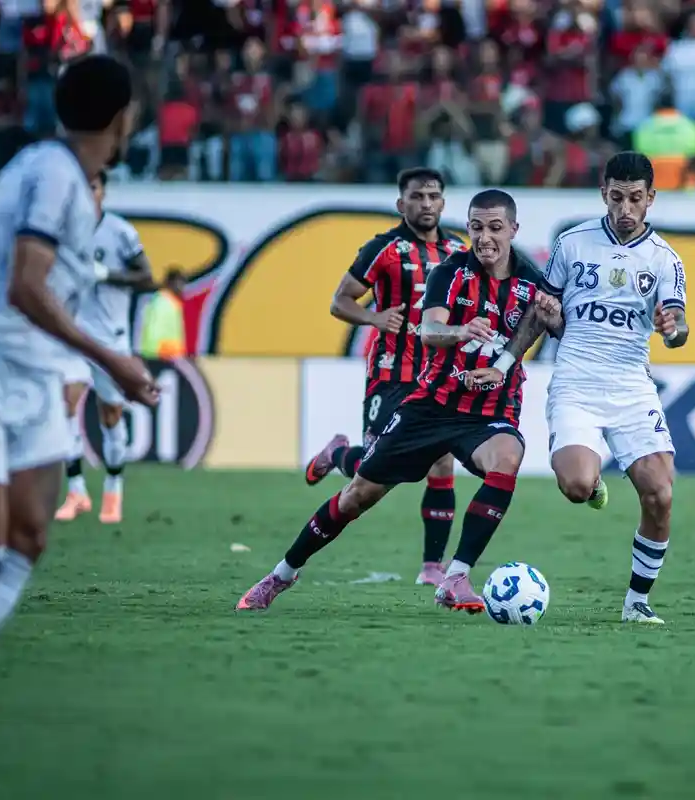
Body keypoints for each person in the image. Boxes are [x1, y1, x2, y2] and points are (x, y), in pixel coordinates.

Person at [0, 55, 158, 721]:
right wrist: (114, 360)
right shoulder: (52, 173)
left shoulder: (66, 176)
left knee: (29, 538)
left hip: (36, 378)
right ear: (122, 116)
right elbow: (24, 284)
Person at [237, 189, 559, 614]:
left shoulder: (533, 282)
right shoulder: (450, 272)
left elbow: (545, 325)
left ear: (513, 230)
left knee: (508, 456)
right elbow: (429, 332)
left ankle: (456, 575)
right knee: (357, 497)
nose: (484, 238)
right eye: (476, 227)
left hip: (489, 411)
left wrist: (552, 321)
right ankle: (280, 575)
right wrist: (462, 332)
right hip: (431, 405)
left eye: (495, 228)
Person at [541, 151, 689, 626]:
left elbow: (679, 325)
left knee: (661, 494)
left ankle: (636, 602)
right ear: (604, 193)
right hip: (577, 382)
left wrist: (673, 328)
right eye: (617, 197)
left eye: (636, 198)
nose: (626, 208)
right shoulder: (571, 244)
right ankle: (593, 475)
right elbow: (549, 311)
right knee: (577, 486)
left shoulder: (665, 259)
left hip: (630, 386)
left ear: (651, 199)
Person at [303, 167, 467, 587]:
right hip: (391, 374)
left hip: (436, 376)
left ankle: (432, 566)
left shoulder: (456, 250)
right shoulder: (384, 250)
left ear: (444, 202)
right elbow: (340, 302)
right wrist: (375, 316)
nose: (426, 204)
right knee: (377, 471)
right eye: (417, 197)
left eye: (433, 196)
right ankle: (338, 453)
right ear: (401, 204)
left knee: (442, 460)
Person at [56, 169, 156, 525]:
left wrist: (105, 274)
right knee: (64, 405)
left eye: (93, 187)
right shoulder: (63, 229)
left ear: (103, 192)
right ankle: (76, 490)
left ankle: (113, 488)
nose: (88, 193)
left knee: (110, 415)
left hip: (111, 338)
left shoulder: (121, 232)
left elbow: (147, 277)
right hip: (73, 334)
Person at [139, 268, 187, 360]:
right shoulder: (162, 302)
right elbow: (153, 331)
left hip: (168, 355)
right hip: (160, 356)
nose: (182, 287)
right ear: (169, 282)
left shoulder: (171, 302)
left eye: (183, 283)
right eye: (179, 283)